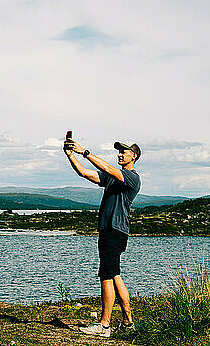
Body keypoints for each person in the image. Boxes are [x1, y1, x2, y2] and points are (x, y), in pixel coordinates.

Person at [63, 137, 141, 338]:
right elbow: (84, 173)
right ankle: (128, 322)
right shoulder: (112, 178)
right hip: (110, 230)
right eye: (119, 151)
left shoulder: (132, 177)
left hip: (114, 230)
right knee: (114, 275)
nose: (120, 154)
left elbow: (107, 167)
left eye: (124, 152)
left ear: (134, 156)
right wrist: (71, 156)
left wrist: (84, 152)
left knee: (106, 276)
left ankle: (104, 326)